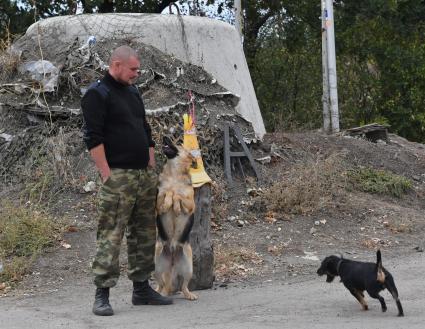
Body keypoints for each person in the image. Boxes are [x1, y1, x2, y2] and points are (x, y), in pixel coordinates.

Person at [81, 45, 172, 316]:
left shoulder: (133, 92)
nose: (137, 73)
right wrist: (106, 174)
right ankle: (102, 294)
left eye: (138, 69)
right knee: (111, 234)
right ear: (116, 64)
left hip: (143, 175)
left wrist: (151, 160)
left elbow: (144, 128)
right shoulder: (97, 94)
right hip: (118, 176)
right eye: (133, 69)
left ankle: (141, 290)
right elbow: (93, 137)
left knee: (144, 233)